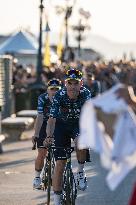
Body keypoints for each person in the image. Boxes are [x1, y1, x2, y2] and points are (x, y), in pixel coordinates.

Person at [44, 68, 91, 205]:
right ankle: (57, 201)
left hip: (78, 124)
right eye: (70, 83)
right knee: (60, 164)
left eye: (76, 83)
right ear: (65, 84)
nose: (72, 87)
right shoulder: (59, 95)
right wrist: (49, 136)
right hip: (61, 126)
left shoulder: (86, 94)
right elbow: (52, 119)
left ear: (81, 84)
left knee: (80, 142)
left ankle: (81, 172)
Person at [32, 78, 62, 189]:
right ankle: (37, 177)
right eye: (52, 89)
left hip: (58, 123)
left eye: (57, 89)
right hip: (44, 123)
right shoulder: (42, 98)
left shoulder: (63, 98)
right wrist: (36, 134)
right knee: (42, 152)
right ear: (47, 90)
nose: (54, 92)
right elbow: (39, 117)